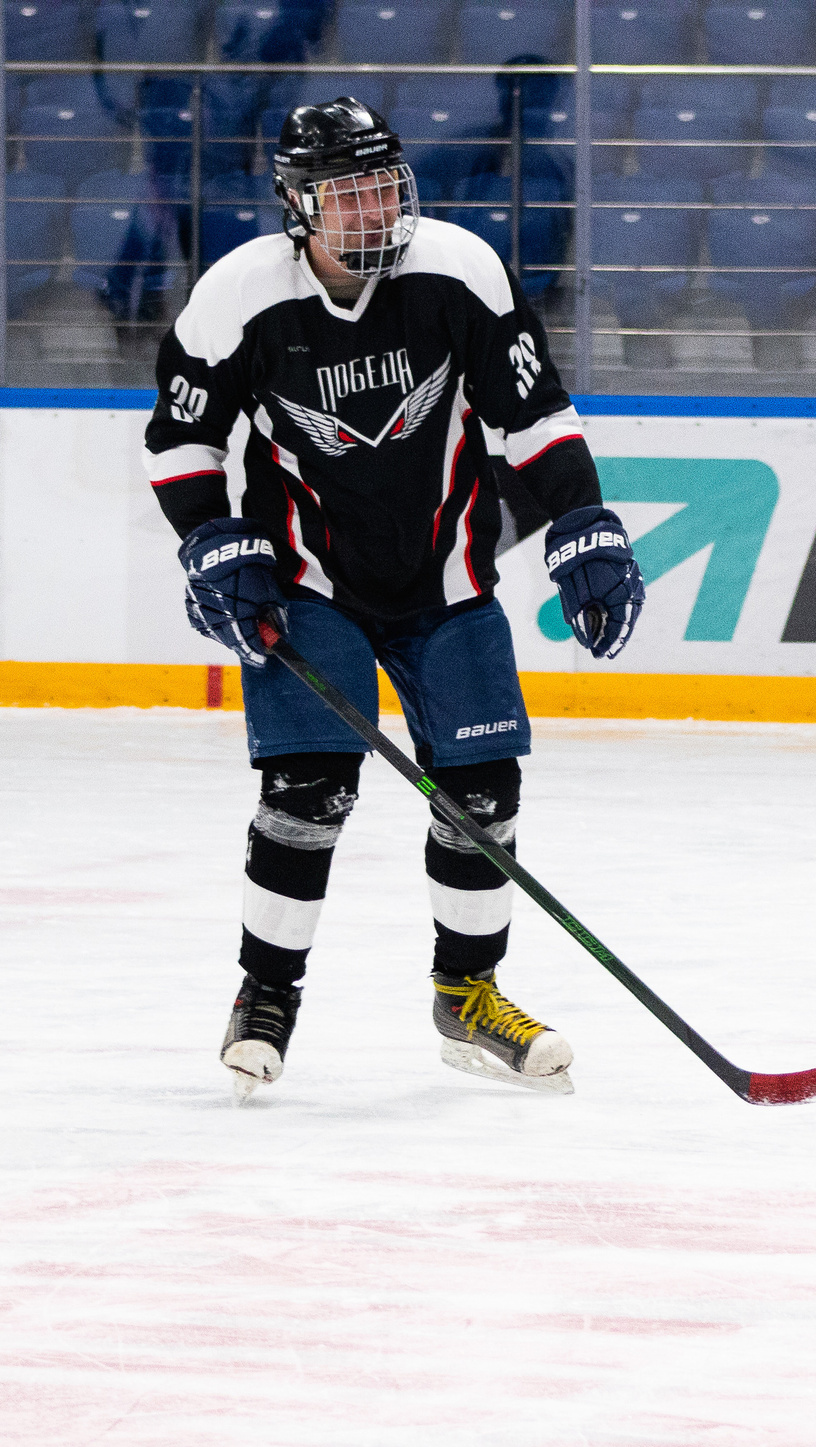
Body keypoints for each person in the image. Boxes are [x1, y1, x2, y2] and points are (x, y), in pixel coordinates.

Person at [143, 97, 646, 1101]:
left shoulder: (457, 270)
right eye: (347, 191)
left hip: (447, 579)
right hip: (306, 582)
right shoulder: (238, 296)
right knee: (307, 795)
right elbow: (182, 441)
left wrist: (583, 519)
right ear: (297, 203)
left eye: (383, 185)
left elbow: (533, 414)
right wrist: (208, 538)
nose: (373, 209)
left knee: (484, 799)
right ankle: (266, 995)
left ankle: (469, 997)